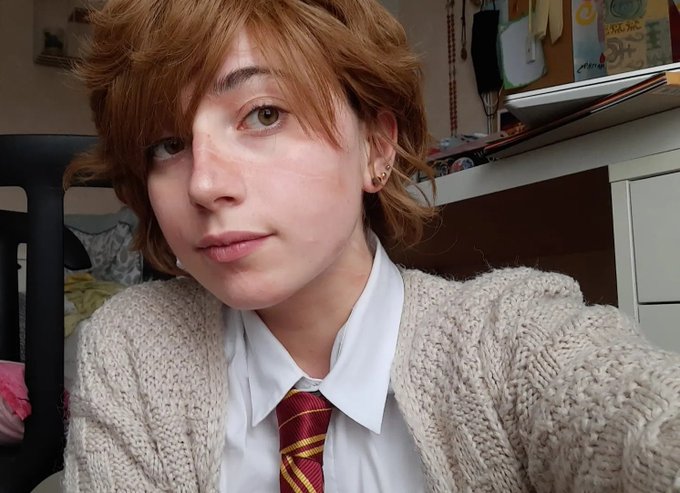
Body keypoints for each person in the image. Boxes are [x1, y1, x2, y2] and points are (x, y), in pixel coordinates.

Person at [63, 0, 680, 491]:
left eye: (264, 114)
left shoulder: (507, 341)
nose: (203, 184)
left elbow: (638, 423)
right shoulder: (133, 348)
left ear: (377, 147)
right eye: (167, 145)